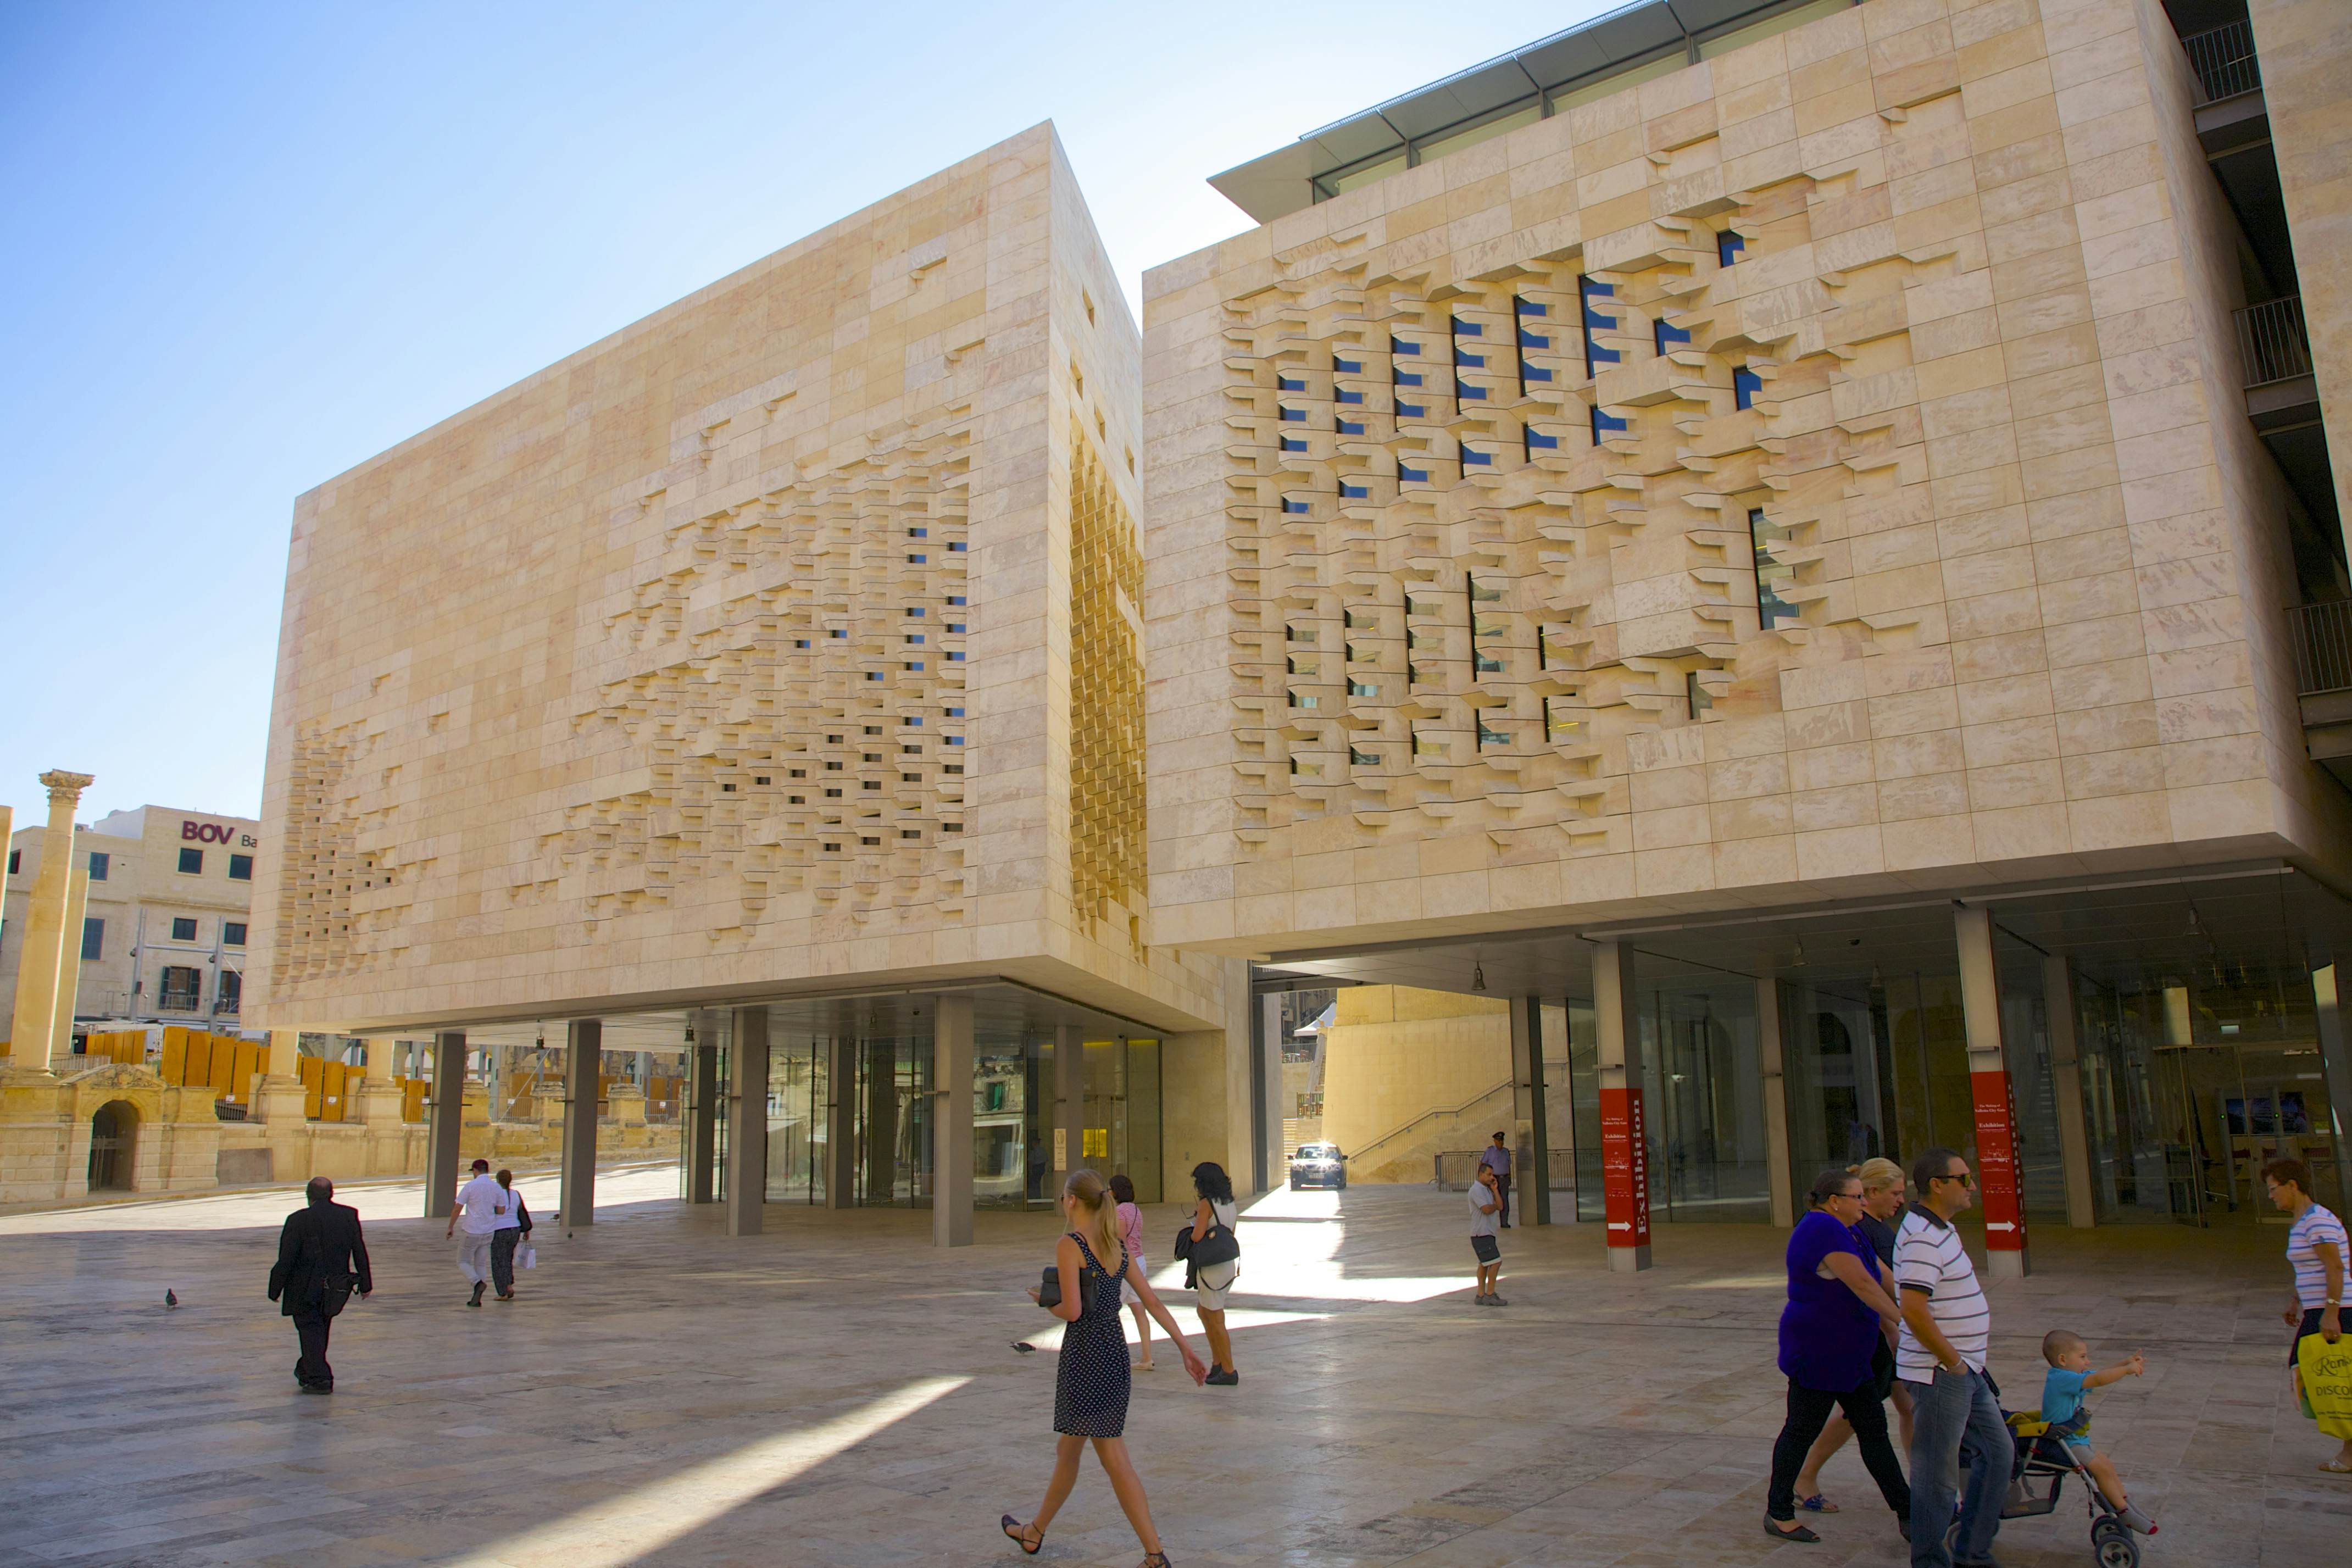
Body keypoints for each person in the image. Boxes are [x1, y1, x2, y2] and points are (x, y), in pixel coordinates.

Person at [1001, 1169, 1206, 1564]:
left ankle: (1154, 1554)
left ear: (1073, 1201)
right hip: (1113, 1352)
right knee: (1069, 1449)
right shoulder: (1116, 1247)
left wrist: (1041, 1301)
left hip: (1085, 1358)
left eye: (1064, 1196)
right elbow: (1153, 1302)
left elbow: (1073, 1311)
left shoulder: (1070, 1245)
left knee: (1113, 1458)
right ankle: (1034, 1532)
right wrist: (1184, 1347)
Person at [1765, 1169, 1911, 1543]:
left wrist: (1918, 1306)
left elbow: (1879, 1274)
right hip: (1818, 1350)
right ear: (1835, 1201)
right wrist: (1908, 1324)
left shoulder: (1848, 1228)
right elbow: (1861, 1284)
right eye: (1857, 1197)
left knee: (1873, 1430)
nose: (1863, 1203)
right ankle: (1778, 1512)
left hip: (1850, 1352)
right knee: (1801, 1429)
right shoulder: (1821, 1228)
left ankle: (1907, 1511)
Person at [1895, 1147, 2003, 1568]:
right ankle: (1928, 1560)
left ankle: (1972, 1553)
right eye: (1963, 1178)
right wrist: (1954, 1362)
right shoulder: (1923, 1235)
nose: (1972, 1185)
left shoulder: (1940, 1228)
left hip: (1965, 1370)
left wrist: (1965, 1364)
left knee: (1998, 1454)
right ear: (1937, 1185)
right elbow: (1914, 1309)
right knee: (1936, 1478)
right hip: (1941, 1373)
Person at [2264, 1156, 2350, 1472]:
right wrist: (2296, 1300)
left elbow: (2336, 1267)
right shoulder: (2303, 1221)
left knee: (2329, 1377)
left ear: (2292, 1186)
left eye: (2274, 1189)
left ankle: (2349, 1450)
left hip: (2338, 1310)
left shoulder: (2318, 1221)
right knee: (2317, 1375)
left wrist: (2332, 1312)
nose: (2271, 1196)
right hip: (2317, 1308)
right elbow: (2311, 1269)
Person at [2037, 1330, 2154, 1531]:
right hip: (2062, 1442)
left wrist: (2124, 1364)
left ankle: (2126, 1504)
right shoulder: (2062, 1378)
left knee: (2105, 1464)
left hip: (2074, 1439)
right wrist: (2127, 1370)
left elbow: (2099, 1375)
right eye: (2082, 1357)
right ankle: (2124, 1512)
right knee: (2100, 1469)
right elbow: (2099, 1380)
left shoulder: (2071, 1377)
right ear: (2063, 1360)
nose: (2088, 1362)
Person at [266, 1176, 372, 1394]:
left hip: (303, 1288)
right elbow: (359, 1250)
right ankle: (306, 1369)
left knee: (310, 1330)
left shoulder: (297, 1220)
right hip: (335, 1287)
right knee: (320, 1328)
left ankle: (320, 1378)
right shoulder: (348, 1215)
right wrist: (365, 1283)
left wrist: (275, 1287)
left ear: (308, 1196)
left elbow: (286, 1258)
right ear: (331, 1194)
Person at [1187, 1161, 1242, 1385]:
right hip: (1227, 1264)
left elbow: (1197, 1236)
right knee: (1205, 1311)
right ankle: (1218, 1363)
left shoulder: (1206, 1204)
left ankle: (1228, 1370)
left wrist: (1193, 1227)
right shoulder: (1230, 1203)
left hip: (1211, 1268)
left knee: (1216, 1318)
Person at [1108, 1172, 1154, 1370]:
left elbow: (1120, 1242)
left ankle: (1109, 1357)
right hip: (1140, 1260)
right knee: (1138, 1310)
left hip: (1127, 1264)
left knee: (1108, 1310)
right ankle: (1146, 1357)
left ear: (1115, 1191)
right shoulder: (1135, 1210)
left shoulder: (1119, 1212)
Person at [447, 1156, 508, 1307]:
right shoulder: (496, 1188)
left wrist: (450, 1227)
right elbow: (501, 1210)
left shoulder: (471, 1186)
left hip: (472, 1229)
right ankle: (478, 1296)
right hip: (488, 1231)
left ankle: (477, 1283)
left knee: (463, 1261)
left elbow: (458, 1207)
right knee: (480, 1264)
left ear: (475, 1171)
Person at [490, 1167, 533, 1302]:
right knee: (508, 1259)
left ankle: (503, 1291)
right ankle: (509, 1284)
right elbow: (522, 1212)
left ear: (498, 1180)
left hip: (499, 1230)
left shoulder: (495, 1194)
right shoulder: (516, 1194)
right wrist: (527, 1230)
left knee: (498, 1261)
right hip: (514, 1229)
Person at [1470, 1161, 1505, 1305]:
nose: (1492, 1177)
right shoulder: (1476, 1190)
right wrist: (1494, 1206)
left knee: (1484, 1264)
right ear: (1481, 1174)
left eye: (1493, 1175)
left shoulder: (1487, 1189)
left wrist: (1495, 1190)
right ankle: (1490, 1294)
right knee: (1496, 1262)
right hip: (1481, 1233)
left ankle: (1480, 1295)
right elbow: (1486, 1209)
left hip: (1489, 1232)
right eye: (1489, 1175)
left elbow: (1500, 1206)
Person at [1480, 1132, 1513, 1227]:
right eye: (1498, 1141)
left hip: (1504, 1179)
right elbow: (1483, 1165)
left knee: (1504, 1201)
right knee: (1491, 1201)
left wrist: (1509, 1177)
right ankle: (1489, 1222)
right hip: (1493, 1179)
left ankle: (1504, 1222)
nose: (1501, 1143)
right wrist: (1483, 1179)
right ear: (1495, 1141)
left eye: (1502, 1141)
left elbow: (1508, 1165)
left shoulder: (1506, 1152)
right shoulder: (1489, 1151)